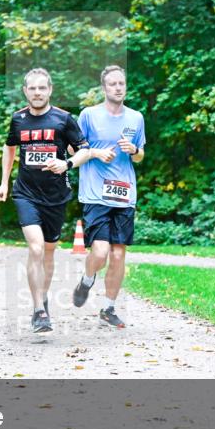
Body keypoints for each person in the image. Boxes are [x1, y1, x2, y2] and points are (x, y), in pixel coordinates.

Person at [0, 68, 95, 333]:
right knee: (36, 248)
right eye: (32, 88)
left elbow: (86, 151)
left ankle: (43, 298)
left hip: (55, 196)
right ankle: (39, 310)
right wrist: (4, 182)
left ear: (49, 90)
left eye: (42, 88)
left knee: (49, 251)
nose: (37, 93)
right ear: (25, 91)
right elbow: (9, 146)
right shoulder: (18, 120)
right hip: (25, 192)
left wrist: (67, 163)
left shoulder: (63, 119)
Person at [72, 65, 145, 328]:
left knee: (118, 254)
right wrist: (96, 152)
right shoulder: (89, 116)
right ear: (104, 89)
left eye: (121, 84)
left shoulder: (136, 118)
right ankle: (88, 279)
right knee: (100, 251)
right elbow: (75, 150)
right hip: (95, 193)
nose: (118, 88)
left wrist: (134, 149)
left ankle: (109, 308)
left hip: (124, 193)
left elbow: (140, 156)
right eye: (113, 84)